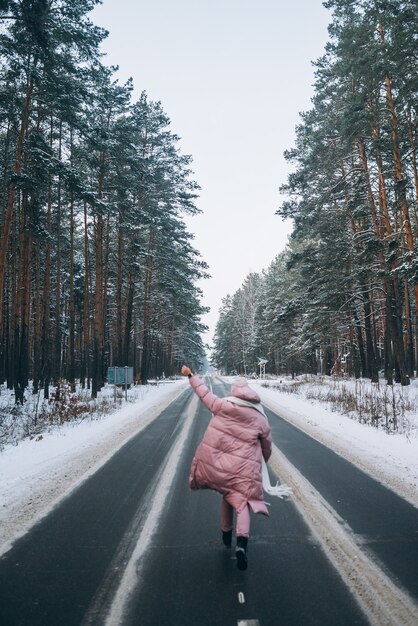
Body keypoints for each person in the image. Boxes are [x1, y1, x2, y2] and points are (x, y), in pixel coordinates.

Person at [181, 365, 272, 571]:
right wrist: (261, 462)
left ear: (235, 391)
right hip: (243, 470)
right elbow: (267, 446)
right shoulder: (260, 418)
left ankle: (225, 535)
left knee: (226, 495)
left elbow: (203, 393)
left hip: (220, 468)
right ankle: (241, 544)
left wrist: (190, 376)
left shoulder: (223, 405)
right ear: (252, 395)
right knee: (242, 503)